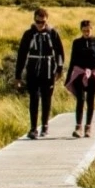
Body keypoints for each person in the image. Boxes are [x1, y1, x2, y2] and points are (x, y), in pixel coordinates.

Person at [14, 8, 66, 140]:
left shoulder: (52, 33)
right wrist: (18, 75)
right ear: (34, 20)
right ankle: (33, 128)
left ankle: (45, 125)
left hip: (48, 70)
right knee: (34, 98)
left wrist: (59, 69)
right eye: (38, 21)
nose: (40, 24)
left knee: (47, 98)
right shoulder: (28, 34)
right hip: (33, 69)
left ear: (46, 20)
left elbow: (59, 52)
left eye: (43, 22)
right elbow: (21, 54)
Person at [67, 20, 95, 139]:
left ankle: (88, 127)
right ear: (81, 30)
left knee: (90, 100)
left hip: (93, 74)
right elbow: (72, 60)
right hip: (80, 73)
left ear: (91, 29)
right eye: (84, 31)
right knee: (80, 99)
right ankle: (78, 127)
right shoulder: (76, 42)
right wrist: (69, 76)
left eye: (88, 30)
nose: (86, 33)